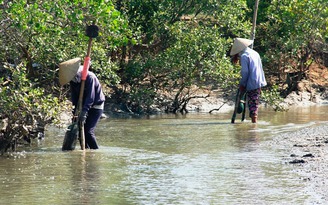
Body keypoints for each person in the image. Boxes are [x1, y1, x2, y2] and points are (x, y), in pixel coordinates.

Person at [59, 58, 105, 149]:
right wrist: (75, 112)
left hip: (95, 106)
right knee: (80, 130)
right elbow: (74, 97)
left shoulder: (89, 77)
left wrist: (84, 112)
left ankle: (95, 151)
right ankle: (86, 150)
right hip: (83, 105)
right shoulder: (74, 80)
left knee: (88, 131)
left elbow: (90, 98)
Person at [230, 38, 267, 123]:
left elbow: (245, 72)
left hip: (252, 81)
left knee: (252, 103)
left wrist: (242, 84)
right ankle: (253, 124)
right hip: (259, 80)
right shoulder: (254, 53)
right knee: (254, 101)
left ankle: (254, 125)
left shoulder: (244, 56)